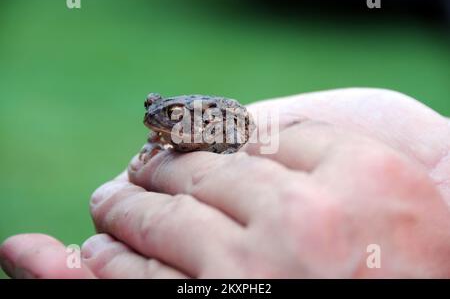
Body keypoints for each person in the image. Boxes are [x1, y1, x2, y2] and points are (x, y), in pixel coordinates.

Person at [1, 88, 449, 278]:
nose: (157, 117)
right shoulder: (169, 130)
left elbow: (238, 131)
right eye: (155, 110)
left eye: (172, 115)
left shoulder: (216, 122)